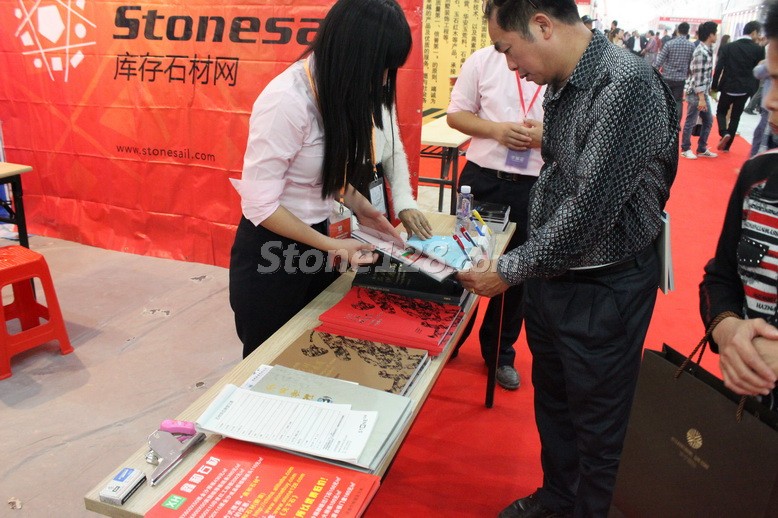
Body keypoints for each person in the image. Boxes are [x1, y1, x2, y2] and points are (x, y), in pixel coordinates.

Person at [460, 1, 678, 516]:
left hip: (604, 286)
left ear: (542, 25)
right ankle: (558, 497)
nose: (511, 66)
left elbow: (590, 210)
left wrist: (508, 270)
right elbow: (561, 172)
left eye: (508, 50)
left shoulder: (625, 84)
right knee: (555, 401)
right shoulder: (564, 81)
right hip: (555, 275)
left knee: (598, 421)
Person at [229, 0, 432, 359]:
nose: (384, 80)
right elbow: (260, 205)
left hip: (319, 241)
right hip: (272, 253)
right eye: (380, 68)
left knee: (318, 352)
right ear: (353, 54)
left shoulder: (341, 90)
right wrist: (330, 246)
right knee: (270, 361)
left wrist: (362, 208)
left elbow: (325, 170)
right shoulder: (285, 101)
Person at [446, 46, 546, 390]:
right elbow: (456, 115)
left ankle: (500, 352)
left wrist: (546, 137)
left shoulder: (555, 62)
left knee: (516, 273)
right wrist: (496, 131)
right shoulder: (482, 60)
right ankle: (451, 336)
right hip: (482, 180)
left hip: (535, 185)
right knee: (463, 261)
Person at [699, 0, 778, 409]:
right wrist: (728, 329)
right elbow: (720, 277)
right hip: (750, 414)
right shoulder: (758, 177)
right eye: (771, 80)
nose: (769, 101)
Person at [712, 21, 765, 152]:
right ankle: (727, 146)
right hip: (745, 89)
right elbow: (759, 71)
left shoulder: (728, 47)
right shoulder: (758, 49)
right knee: (735, 117)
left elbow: (719, 67)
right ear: (753, 32)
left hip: (728, 86)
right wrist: (754, 90)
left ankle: (724, 133)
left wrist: (714, 86)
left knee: (721, 112)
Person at [680, 21, 719, 160]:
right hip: (696, 93)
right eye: (716, 33)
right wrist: (702, 97)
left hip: (702, 93)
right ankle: (685, 148)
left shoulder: (707, 49)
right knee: (691, 121)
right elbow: (697, 76)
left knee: (708, 120)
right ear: (710, 35)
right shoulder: (700, 52)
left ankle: (702, 147)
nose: (717, 35)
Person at [656, 21, 695, 121]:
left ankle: (664, 121)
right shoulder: (691, 46)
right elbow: (692, 63)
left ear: (678, 31)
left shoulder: (669, 44)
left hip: (667, 77)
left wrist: (654, 71)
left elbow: (659, 61)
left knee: (665, 100)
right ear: (687, 32)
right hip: (681, 79)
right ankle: (676, 122)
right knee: (678, 101)